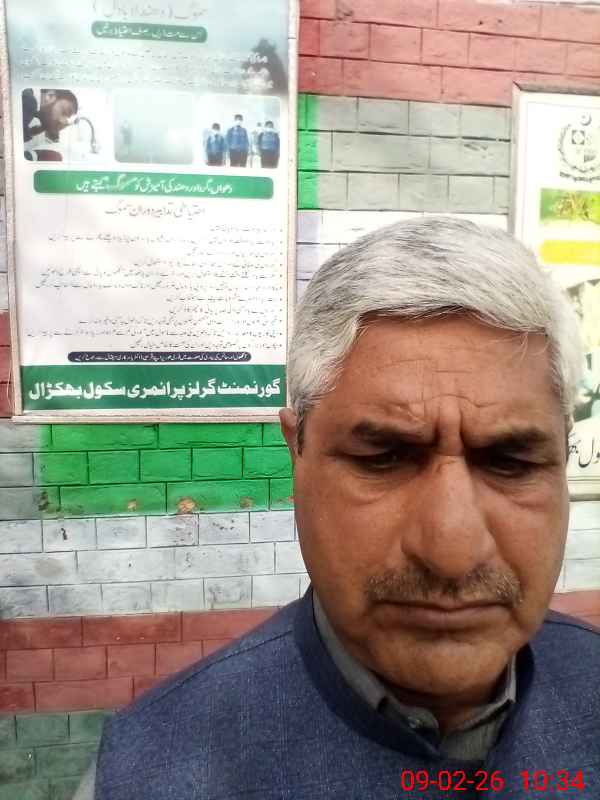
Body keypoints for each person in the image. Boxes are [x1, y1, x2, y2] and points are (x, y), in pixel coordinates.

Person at [78, 217, 600, 799]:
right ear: (296, 453)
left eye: (510, 462)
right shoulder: (150, 774)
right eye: (383, 458)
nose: (451, 551)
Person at [23, 88, 78, 161]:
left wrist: (45, 127)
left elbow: (23, 133)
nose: (62, 121)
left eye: (66, 117)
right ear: (50, 96)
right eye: (64, 112)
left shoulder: (31, 107)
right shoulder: (29, 102)